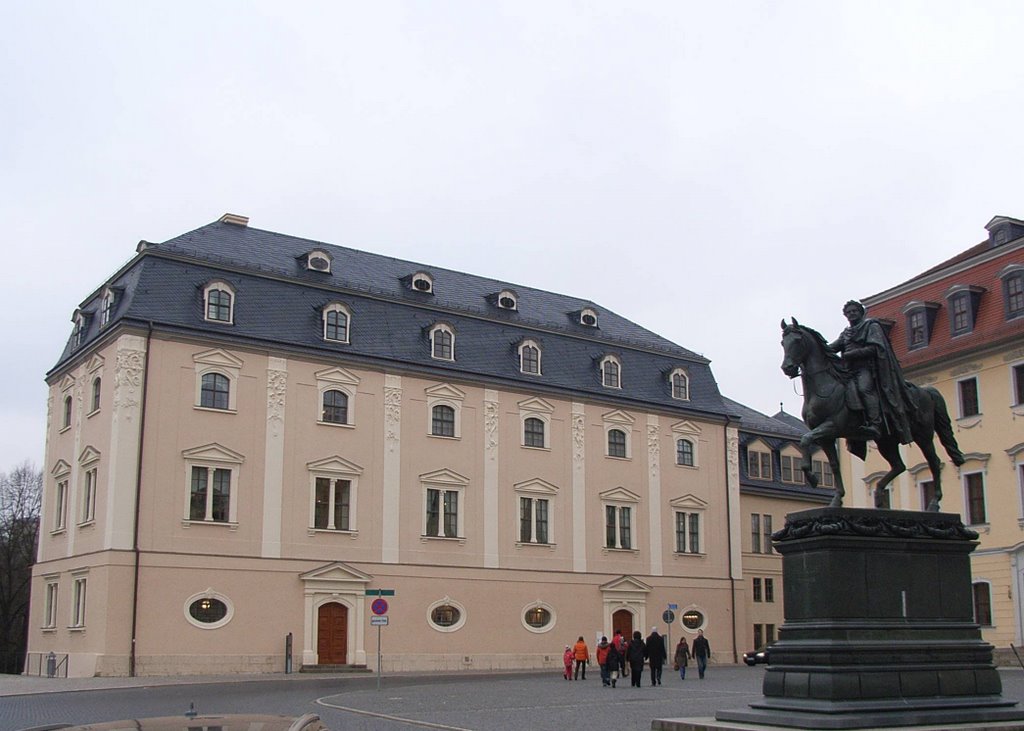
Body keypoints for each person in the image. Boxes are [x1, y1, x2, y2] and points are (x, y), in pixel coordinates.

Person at [829, 299, 916, 443]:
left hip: (866, 368)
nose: (851, 314)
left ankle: (875, 423)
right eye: (848, 312)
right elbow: (833, 347)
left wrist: (853, 354)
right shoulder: (846, 332)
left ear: (861, 312)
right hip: (849, 370)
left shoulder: (871, 326)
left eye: (854, 311)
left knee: (864, 389)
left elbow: (876, 348)